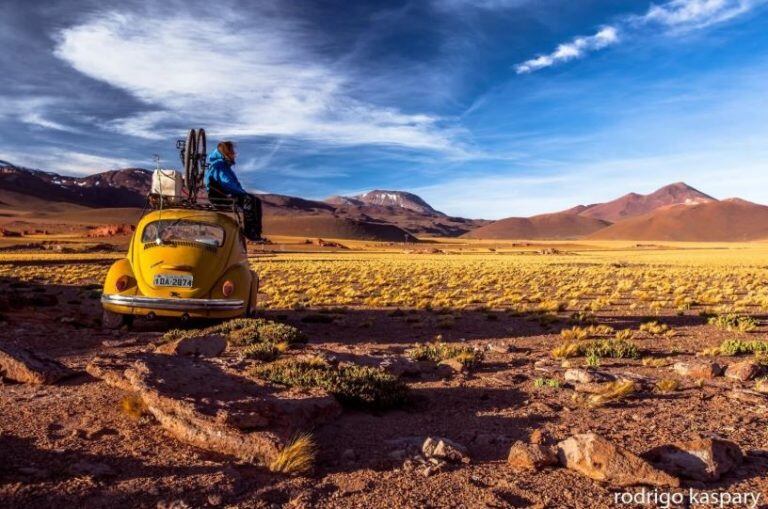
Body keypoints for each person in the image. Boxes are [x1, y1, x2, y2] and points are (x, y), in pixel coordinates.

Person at [205, 141, 263, 241]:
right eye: (232, 151)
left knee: (255, 201)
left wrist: (241, 192)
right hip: (220, 196)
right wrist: (242, 193)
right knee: (249, 200)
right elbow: (227, 183)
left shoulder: (222, 165)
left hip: (223, 194)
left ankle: (255, 233)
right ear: (226, 152)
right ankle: (251, 233)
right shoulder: (220, 165)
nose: (234, 154)